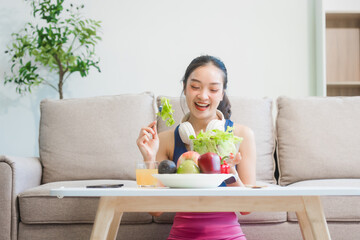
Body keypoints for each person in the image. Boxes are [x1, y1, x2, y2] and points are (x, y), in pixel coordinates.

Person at [136, 55, 256, 240]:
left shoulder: (241, 135)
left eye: (214, 89)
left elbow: (247, 208)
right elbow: (154, 209)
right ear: (184, 88)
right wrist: (148, 160)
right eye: (195, 87)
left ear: (222, 93)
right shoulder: (166, 139)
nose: (203, 95)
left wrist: (230, 170)